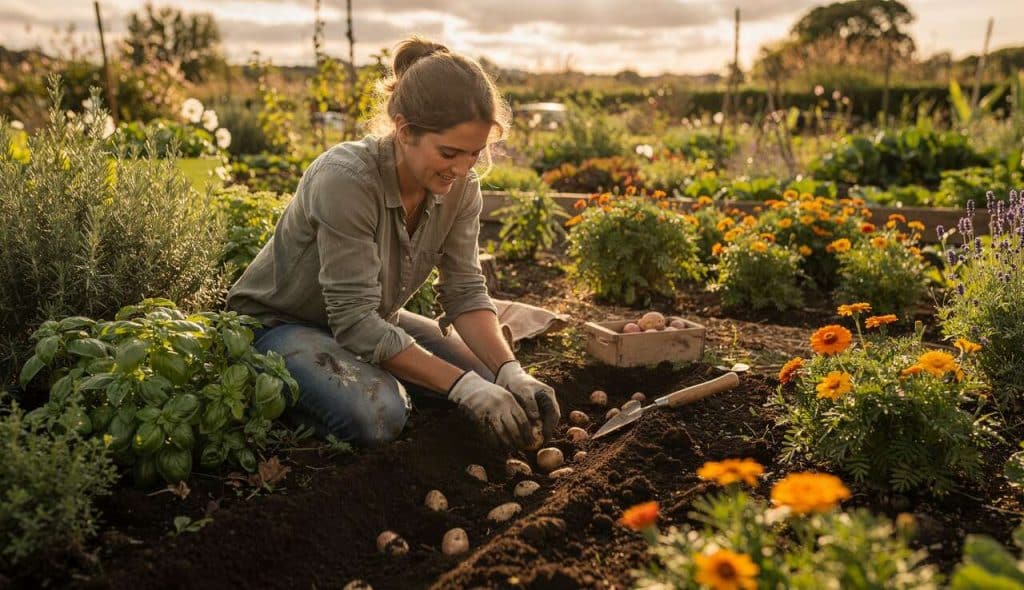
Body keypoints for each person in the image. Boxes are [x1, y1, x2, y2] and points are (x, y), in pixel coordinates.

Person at [226, 36, 560, 450]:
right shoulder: (346, 180)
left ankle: (381, 372)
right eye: (450, 152)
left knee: (495, 384)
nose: (462, 169)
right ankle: (298, 393)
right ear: (404, 130)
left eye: (474, 154)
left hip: (372, 319)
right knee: (380, 414)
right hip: (283, 326)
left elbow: (466, 291)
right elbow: (353, 321)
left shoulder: (461, 188)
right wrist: (459, 387)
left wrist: (511, 371)